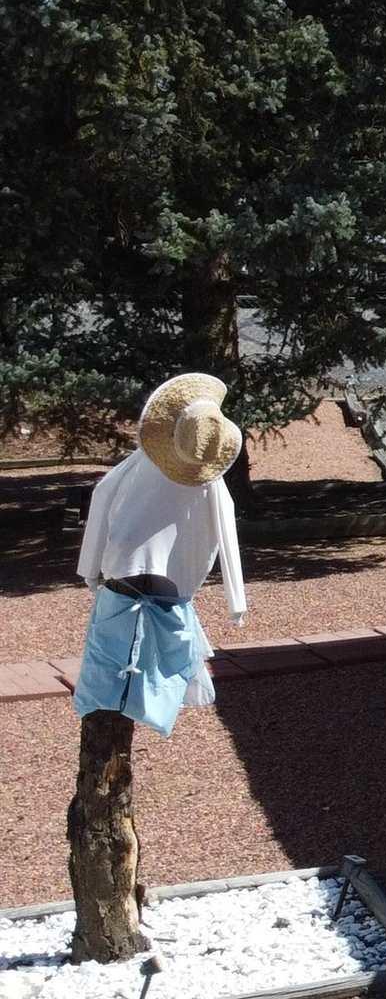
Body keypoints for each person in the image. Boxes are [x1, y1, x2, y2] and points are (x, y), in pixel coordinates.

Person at [65, 373, 249, 962]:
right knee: (107, 703)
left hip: (134, 593)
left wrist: (92, 569)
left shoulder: (149, 472)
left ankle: (115, 899)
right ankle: (109, 906)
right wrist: (233, 601)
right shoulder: (197, 480)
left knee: (108, 696)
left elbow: (99, 507)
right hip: (155, 595)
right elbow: (227, 542)